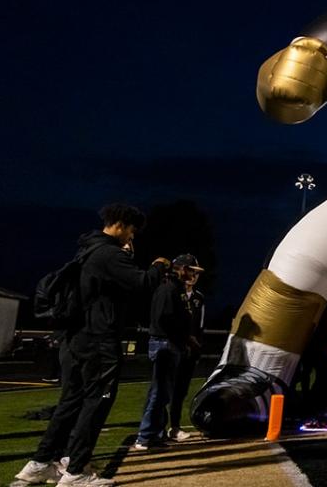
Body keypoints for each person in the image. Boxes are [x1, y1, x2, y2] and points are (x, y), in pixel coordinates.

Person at [17, 204, 170, 486]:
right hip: (98, 340)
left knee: (70, 402)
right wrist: (159, 266)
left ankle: (39, 463)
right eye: (132, 232)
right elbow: (143, 283)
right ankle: (76, 471)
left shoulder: (87, 250)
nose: (132, 238)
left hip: (76, 338)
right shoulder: (109, 254)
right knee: (97, 402)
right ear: (121, 225)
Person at [134, 255, 200, 450]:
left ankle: (155, 434)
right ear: (181, 269)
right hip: (165, 344)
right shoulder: (168, 289)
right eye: (191, 270)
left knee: (162, 393)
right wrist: (182, 338)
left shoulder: (173, 288)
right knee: (158, 393)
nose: (193, 275)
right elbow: (165, 319)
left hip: (168, 343)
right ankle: (146, 437)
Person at [168, 255, 205, 441]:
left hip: (189, 351)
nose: (194, 276)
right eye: (191, 271)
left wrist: (196, 348)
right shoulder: (173, 292)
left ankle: (174, 426)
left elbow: (200, 326)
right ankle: (160, 428)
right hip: (173, 348)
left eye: (196, 273)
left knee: (181, 390)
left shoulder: (198, 298)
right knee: (166, 390)